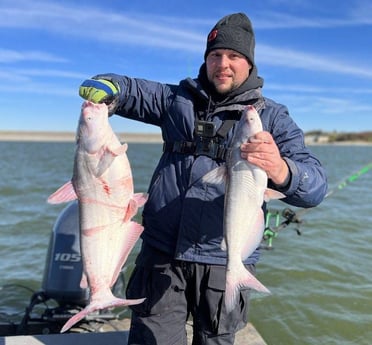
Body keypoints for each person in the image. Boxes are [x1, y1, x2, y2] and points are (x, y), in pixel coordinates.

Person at [79, 12, 327, 345]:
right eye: (215, 55)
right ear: (206, 60)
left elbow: (315, 188)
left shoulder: (273, 117)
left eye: (234, 56)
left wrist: (281, 170)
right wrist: (108, 88)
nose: (223, 63)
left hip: (223, 262)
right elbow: (129, 90)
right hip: (162, 255)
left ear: (250, 64)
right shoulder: (176, 100)